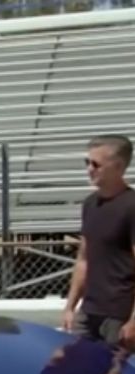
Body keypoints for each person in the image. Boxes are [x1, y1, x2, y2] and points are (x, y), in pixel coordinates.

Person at [62, 134, 135, 347]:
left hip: (118, 317)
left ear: (118, 166)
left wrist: (133, 320)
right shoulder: (90, 204)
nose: (89, 169)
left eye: (96, 164)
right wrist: (70, 307)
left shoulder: (131, 206)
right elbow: (83, 260)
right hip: (88, 313)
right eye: (87, 162)